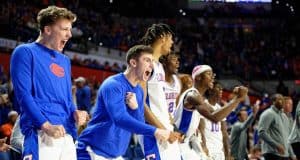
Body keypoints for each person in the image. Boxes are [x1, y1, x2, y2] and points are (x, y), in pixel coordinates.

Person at [10, 6, 88, 160]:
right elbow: (23, 96)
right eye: (65, 29)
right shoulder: (25, 52)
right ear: (47, 30)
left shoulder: (64, 60)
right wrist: (45, 125)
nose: (70, 34)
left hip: (66, 134)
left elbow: (67, 98)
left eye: (70, 29)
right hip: (40, 132)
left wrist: (75, 112)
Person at [76, 45, 171, 160]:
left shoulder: (139, 91)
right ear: (133, 63)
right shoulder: (113, 85)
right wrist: (155, 131)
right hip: (91, 151)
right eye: (147, 60)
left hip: (114, 155)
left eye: (152, 61)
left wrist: (135, 108)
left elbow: (139, 124)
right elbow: (119, 119)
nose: (151, 65)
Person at [174, 65, 248, 160]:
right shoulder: (192, 95)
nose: (212, 76)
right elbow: (214, 118)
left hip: (185, 144)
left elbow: (217, 113)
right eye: (209, 74)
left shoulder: (199, 98)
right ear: (198, 77)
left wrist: (235, 98)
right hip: (178, 145)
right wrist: (237, 99)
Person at [139, 23, 182, 160]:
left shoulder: (159, 66)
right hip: (153, 132)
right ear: (163, 37)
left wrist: (168, 118)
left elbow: (156, 99)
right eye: (171, 38)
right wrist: (163, 130)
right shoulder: (146, 63)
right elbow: (140, 103)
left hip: (165, 129)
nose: (172, 42)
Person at [258, 94, 296, 160]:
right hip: (272, 153)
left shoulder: (285, 117)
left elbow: (287, 138)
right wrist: (276, 145)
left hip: (285, 154)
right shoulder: (268, 113)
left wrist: (292, 155)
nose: (281, 101)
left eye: (282, 100)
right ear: (273, 101)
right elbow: (261, 133)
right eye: (279, 100)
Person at [199, 82, 230, 160]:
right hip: (208, 149)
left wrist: (227, 152)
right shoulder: (203, 106)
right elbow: (201, 130)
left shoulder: (220, 108)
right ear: (210, 91)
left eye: (221, 88)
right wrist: (204, 147)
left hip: (219, 150)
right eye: (218, 88)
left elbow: (224, 132)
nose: (221, 90)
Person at [159, 52, 181, 118]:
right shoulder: (158, 80)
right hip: (158, 119)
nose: (177, 62)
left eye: (177, 60)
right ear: (164, 63)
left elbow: (176, 104)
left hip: (171, 121)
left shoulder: (178, 81)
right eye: (174, 60)